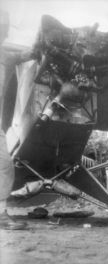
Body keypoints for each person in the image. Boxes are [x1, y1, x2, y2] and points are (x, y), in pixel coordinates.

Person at [0, 11, 31, 230]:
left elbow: (31, 53)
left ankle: (0, 214)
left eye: (3, 29)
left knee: (4, 166)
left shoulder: (6, 56)